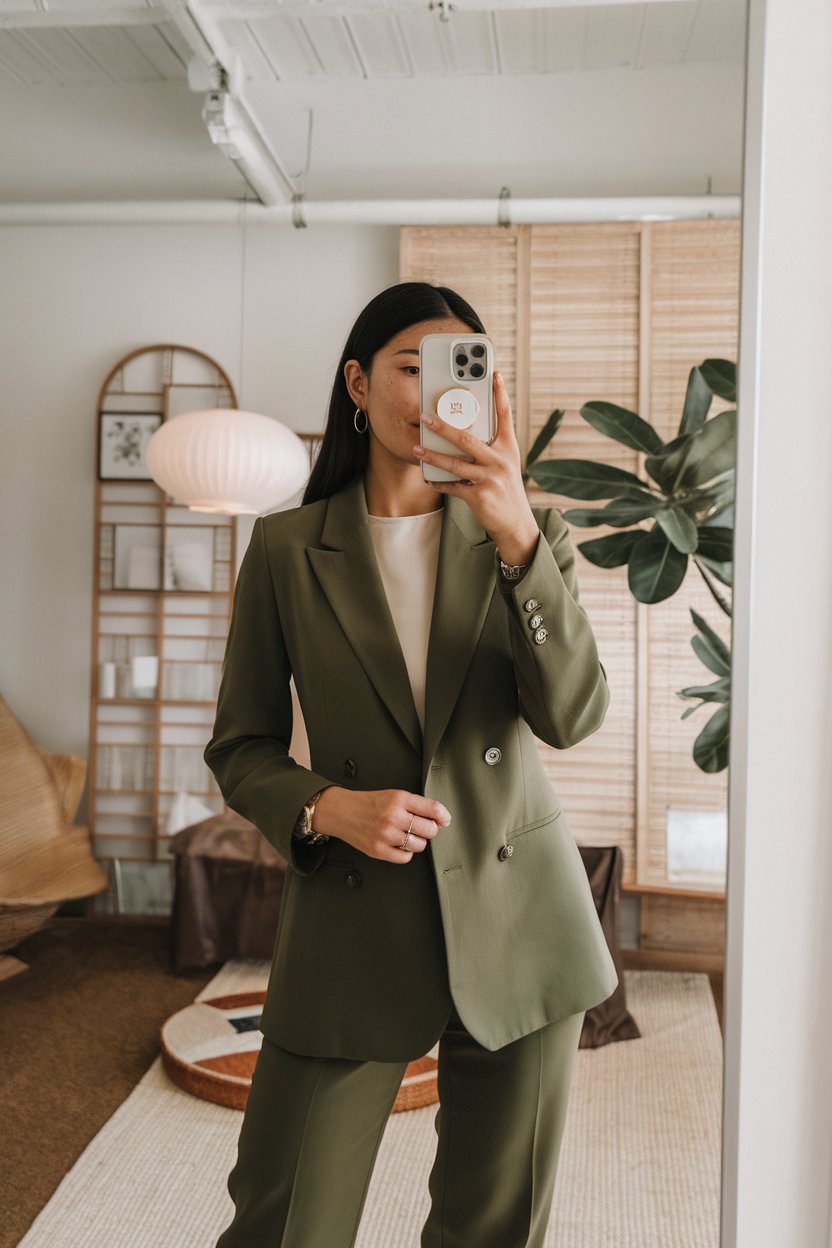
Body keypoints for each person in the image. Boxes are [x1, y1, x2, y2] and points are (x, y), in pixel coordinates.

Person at [204, 281, 618, 1248]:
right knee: (283, 1221)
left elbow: (572, 715)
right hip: (352, 921)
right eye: (411, 366)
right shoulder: (285, 549)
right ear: (357, 383)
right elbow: (242, 744)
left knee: (492, 1229)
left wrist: (517, 532)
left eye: (463, 368)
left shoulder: (528, 538)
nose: (437, 392)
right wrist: (324, 808)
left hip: (521, 927)